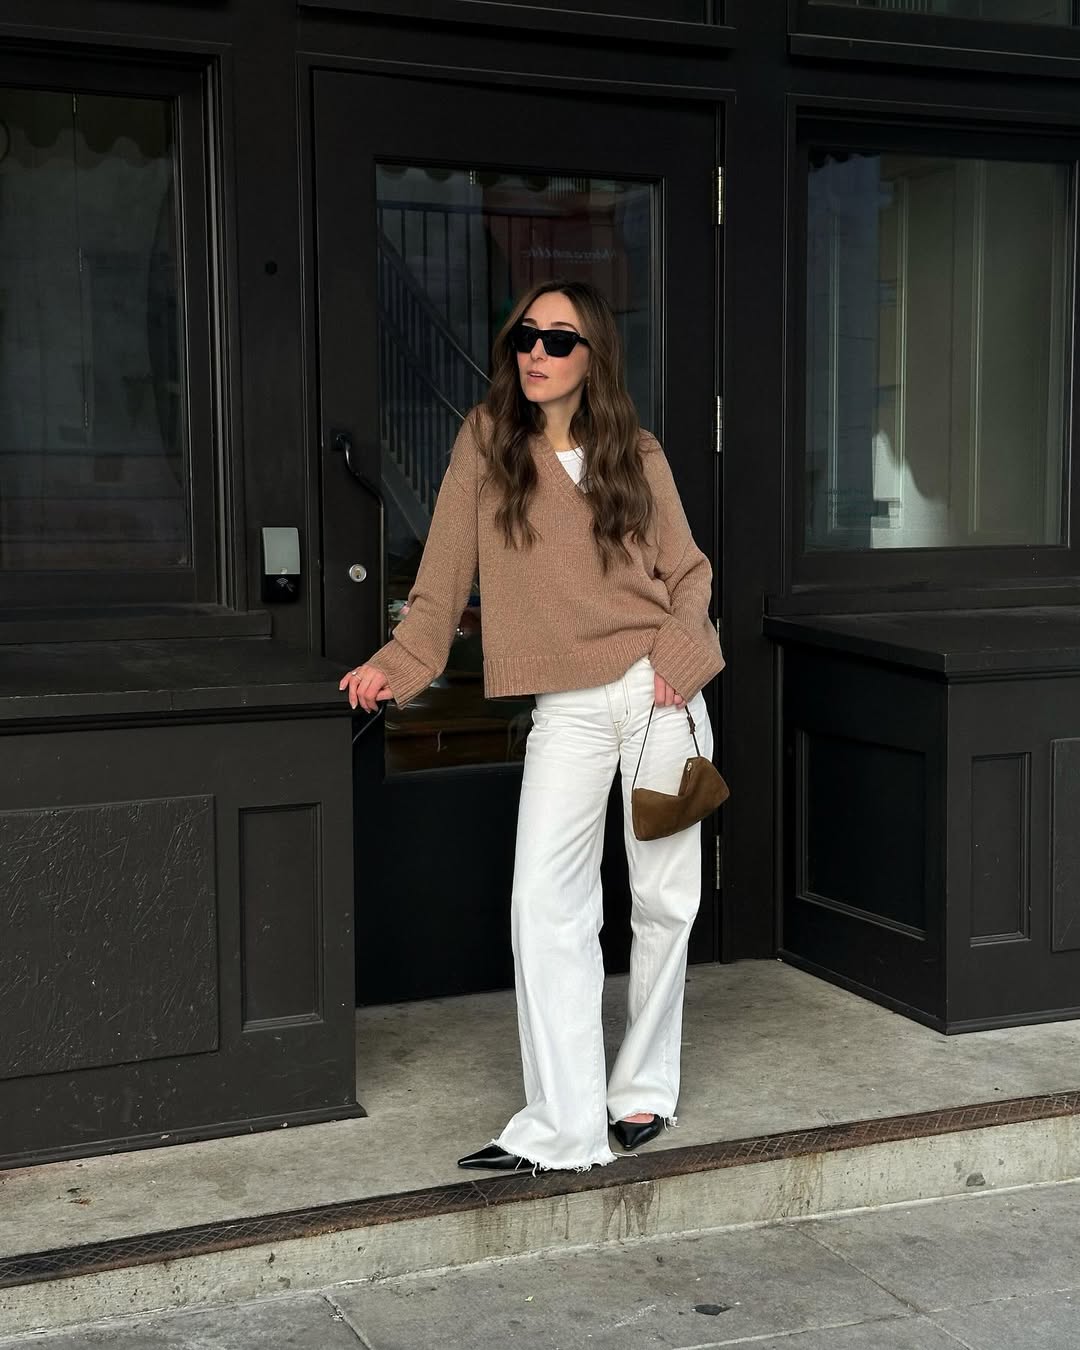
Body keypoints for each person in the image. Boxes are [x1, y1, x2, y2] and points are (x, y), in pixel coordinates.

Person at [340, 279, 725, 1173]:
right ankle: (564, 1123)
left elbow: (693, 574)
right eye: (525, 336)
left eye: (559, 340)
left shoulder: (639, 453)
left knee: (666, 901)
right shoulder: (486, 446)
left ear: (593, 358)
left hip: (659, 693)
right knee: (545, 906)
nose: (536, 353)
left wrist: (677, 661)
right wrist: (396, 666)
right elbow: (440, 586)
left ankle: (641, 1093)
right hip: (572, 712)